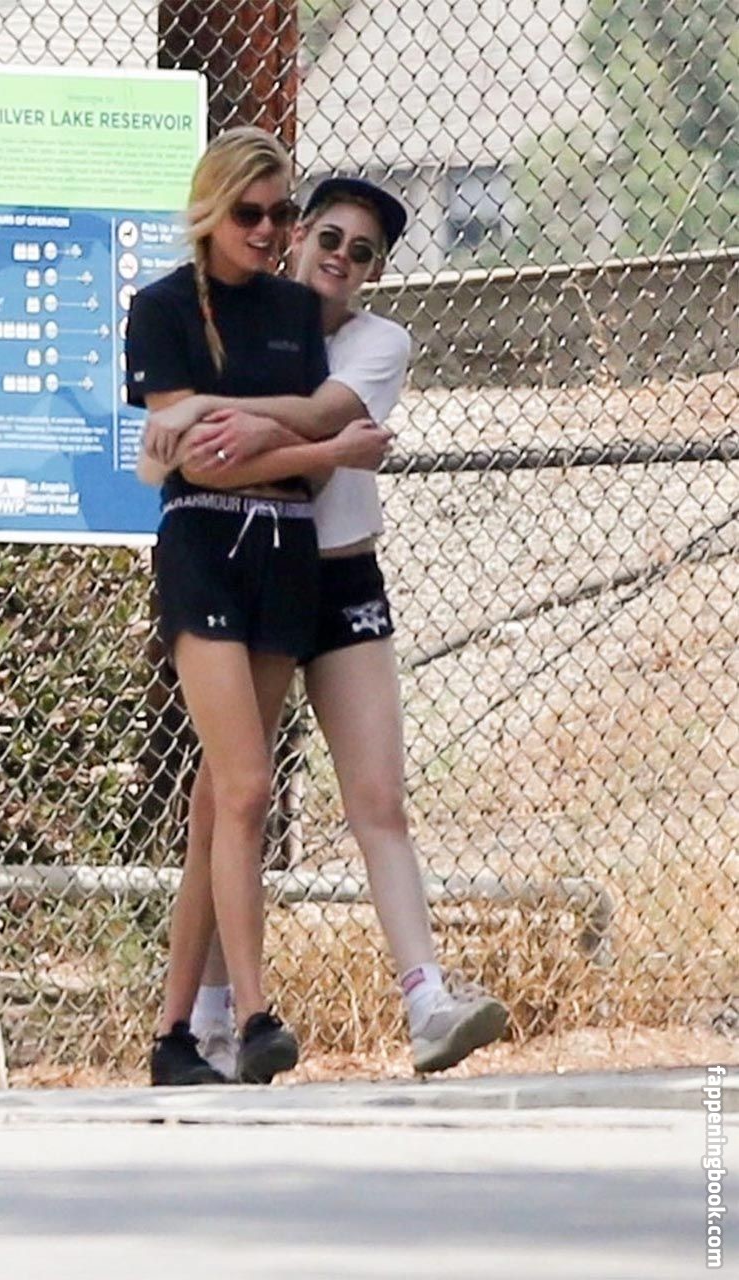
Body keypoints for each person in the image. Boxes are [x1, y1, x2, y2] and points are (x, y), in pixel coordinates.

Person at [144, 176, 509, 1081]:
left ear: (375, 271)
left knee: (377, 796)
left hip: (339, 575)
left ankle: (425, 999)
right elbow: (195, 454)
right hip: (253, 561)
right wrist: (201, 419)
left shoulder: (377, 341)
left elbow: (322, 419)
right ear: (296, 235)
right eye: (327, 237)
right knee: (231, 801)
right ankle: (210, 1020)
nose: (339, 258)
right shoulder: (244, 318)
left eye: (362, 252)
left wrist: (211, 413)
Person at [126, 130, 391, 1087]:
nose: (270, 231)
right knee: (244, 787)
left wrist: (249, 428)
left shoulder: (291, 311)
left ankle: (173, 1036)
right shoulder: (161, 309)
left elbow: (295, 444)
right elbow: (196, 466)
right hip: (203, 548)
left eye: (282, 215)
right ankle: (253, 1015)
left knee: (220, 803)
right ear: (210, 209)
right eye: (250, 213)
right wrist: (320, 450)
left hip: (285, 549)